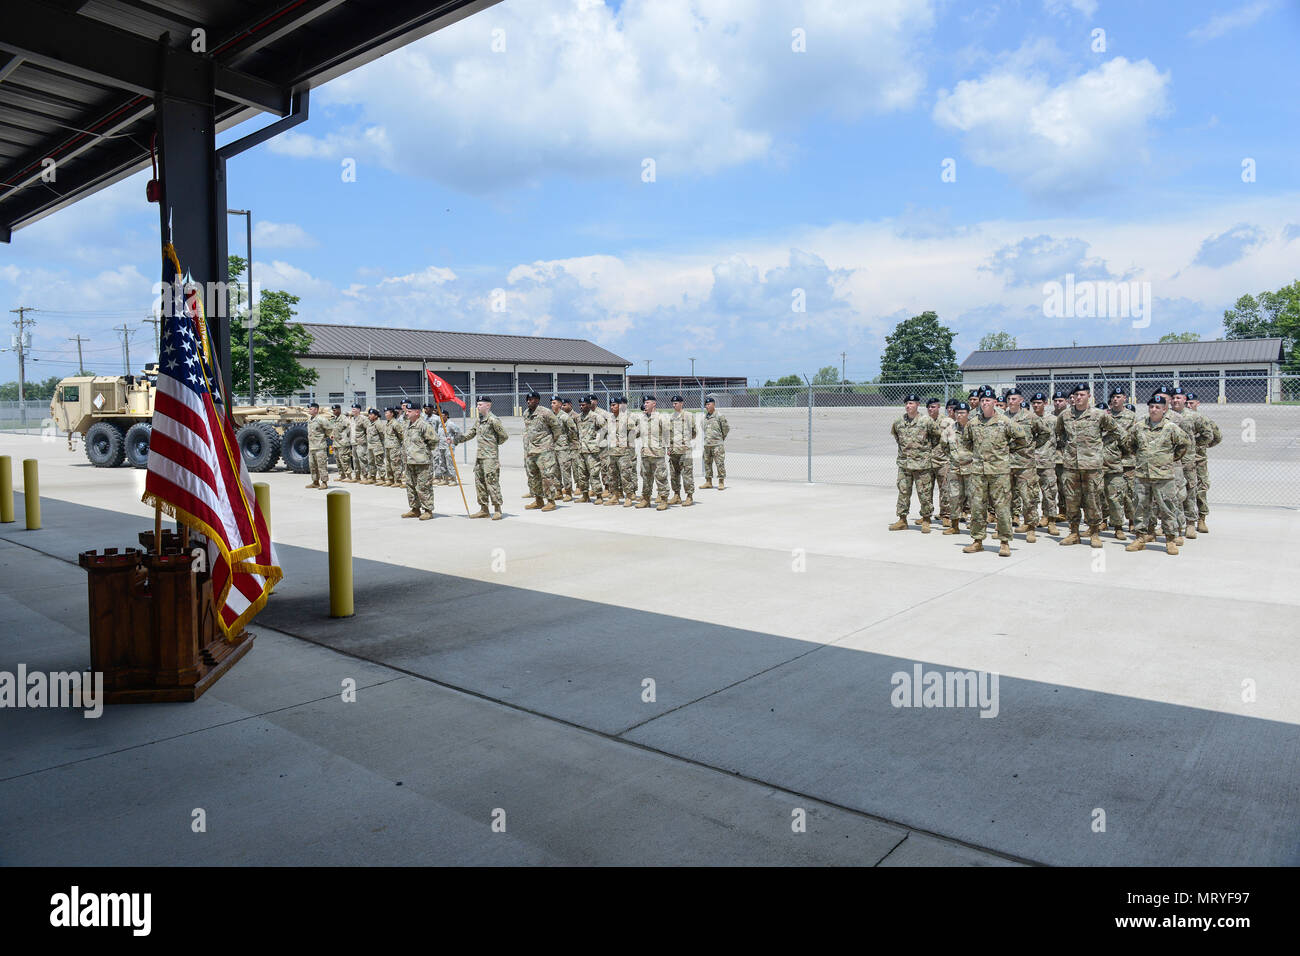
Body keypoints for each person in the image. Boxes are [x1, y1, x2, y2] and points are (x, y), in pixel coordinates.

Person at [960, 387, 1029, 557]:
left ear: (994, 403)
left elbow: (1022, 439)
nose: (985, 403)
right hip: (978, 472)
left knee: (1002, 507)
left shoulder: (1004, 421)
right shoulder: (973, 423)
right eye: (982, 400)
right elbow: (966, 442)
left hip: (999, 471)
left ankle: (1004, 542)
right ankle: (978, 541)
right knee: (977, 507)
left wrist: (1007, 450)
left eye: (988, 400)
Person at [1054, 382, 1120, 547]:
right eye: (1076, 395)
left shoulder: (1099, 415)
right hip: (1071, 466)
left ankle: (1094, 532)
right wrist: (1068, 448)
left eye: (1082, 395)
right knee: (1071, 500)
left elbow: (1115, 431)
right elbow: (1059, 433)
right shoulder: (1065, 415)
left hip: (1092, 466)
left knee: (1093, 499)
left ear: (1089, 396)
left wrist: (1101, 445)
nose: (1078, 398)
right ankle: (1074, 532)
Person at [1124, 394, 1191, 555]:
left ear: (1164, 409)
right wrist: (1142, 458)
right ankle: (1140, 538)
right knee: (1140, 507)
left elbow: (1184, 444)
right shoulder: (1139, 426)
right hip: (1142, 474)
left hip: (1164, 475)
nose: (1154, 410)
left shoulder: (1171, 427)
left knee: (1167, 507)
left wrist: (1170, 458)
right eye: (1151, 407)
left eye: (1158, 407)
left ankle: (1170, 539)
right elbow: (1129, 444)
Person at [889, 393, 942, 533]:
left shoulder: (926, 421)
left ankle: (926, 519)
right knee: (903, 492)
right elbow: (897, 437)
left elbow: (938, 436)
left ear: (918, 404)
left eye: (911, 403)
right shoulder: (898, 422)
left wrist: (927, 452)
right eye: (906, 403)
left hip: (922, 465)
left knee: (924, 493)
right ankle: (902, 519)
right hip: (904, 464)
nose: (908, 406)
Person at [1002, 387, 1049, 541]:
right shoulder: (1002, 418)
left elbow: (1045, 432)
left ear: (1021, 400)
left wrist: (1032, 445)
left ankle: (1031, 528)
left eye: (1014, 399)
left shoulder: (1030, 417)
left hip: (1025, 464)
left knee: (1028, 497)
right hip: (1006, 463)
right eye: (1009, 399)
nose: (1011, 401)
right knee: (1005, 497)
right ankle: (1005, 528)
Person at [454, 396, 510, 520]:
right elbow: (470, 434)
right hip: (480, 457)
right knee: (480, 483)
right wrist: (455, 439)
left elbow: (504, 436)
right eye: (478, 404)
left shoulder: (493, 420)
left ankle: (497, 509)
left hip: (490, 458)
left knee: (492, 483)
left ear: (488, 406)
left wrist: (493, 445)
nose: (477, 407)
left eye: (480, 404)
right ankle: (483, 509)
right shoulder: (479, 420)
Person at [1169, 387, 1212, 539]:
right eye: (1173, 398)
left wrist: (1193, 446)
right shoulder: (1166, 416)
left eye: (1178, 398)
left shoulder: (1193, 417)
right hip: (1171, 461)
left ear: (1185, 400)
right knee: (1172, 493)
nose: (1175, 400)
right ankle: (1172, 524)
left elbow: (1208, 435)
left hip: (1188, 461)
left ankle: (1190, 523)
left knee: (1190, 491)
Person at [1102, 385, 1137, 540]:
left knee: (1129, 494)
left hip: (1126, 461)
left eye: (1119, 397)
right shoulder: (1104, 415)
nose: (1115, 399)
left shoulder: (1131, 416)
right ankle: (1109, 521)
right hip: (1107, 460)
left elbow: (1133, 438)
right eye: (1113, 397)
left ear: (1125, 398)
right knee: (1108, 494)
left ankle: (1131, 520)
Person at [522, 390, 564, 511]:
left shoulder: (546, 412)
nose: (529, 401)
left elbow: (557, 428)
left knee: (547, 476)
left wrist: (550, 442)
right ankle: (538, 500)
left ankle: (551, 501)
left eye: (532, 399)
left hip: (544, 449)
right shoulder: (526, 413)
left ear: (538, 400)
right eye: (528, 399)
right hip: (531, 449)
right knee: (533, 476)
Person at [399, 404, 442, 520]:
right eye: (406, 411)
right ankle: (415, 509)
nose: (406, 413)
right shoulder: (407, 425)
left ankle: (428, 510)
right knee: (410, 486)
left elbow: (434, 440)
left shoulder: (423, 425)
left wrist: (423, 451)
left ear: (417, 412)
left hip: (422, 462)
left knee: (424, 486)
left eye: (409, 411)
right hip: (409, 461)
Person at [1186, 393, 1221, 532]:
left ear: (1197, 404)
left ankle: (1202, 519)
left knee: (1201, 489)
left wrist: (1199, 446)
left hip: (1198, 460)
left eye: (1191, 403)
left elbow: (1216, 437)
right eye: (1187, 403)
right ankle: (1186, 520)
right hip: (1182, 461)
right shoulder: (1178, 418)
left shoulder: (1203, 419)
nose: (1189, 406)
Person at [633, 394, 672, 509]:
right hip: (645, 453)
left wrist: (669, 447)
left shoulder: (661, 418)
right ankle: (646, 499)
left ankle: (664, 500)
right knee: (646, 477)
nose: (645, 405)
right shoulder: (642, 419)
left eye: (647, 403)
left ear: (654, 404)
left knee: (661, 477)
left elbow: (667, 433)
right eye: (644, 403)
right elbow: (636, 433)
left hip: (657, 453)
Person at [1029, 393, 1059, 534]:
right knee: (1031, 494)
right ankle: (1033, 520)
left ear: (1045, 403)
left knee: (1050, 492)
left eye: (1039, 402)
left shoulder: (1053, 420)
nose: (1036, 405)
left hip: (1047, 460)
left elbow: (1062, 437)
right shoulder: (1027, 419)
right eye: (1034, 403)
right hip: (1030, 461)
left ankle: (1051, 520)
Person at [942, 402, 973, 536]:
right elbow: (944, 445)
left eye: (962, 413)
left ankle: (975, 524)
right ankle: (954, 525)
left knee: (973, 497)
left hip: (971, 468)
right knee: (953, 497)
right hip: (955, 469)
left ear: (968, 414)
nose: (959, 415)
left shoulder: (973, 428)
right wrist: (954, 457)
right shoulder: (949, 429)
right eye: (957, 413)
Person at [606, 395, 638, 506]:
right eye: (611, 405)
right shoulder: (610, 418)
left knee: (626, 475)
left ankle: (629, 496)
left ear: (619, 406)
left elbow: (633, 433)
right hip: (613, 452)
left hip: (624, 453)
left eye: (614, 405)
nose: (612, 407)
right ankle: (615, 496)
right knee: (612, 475)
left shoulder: (627, 418)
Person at [575, 394, 607, 503]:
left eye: (583, 405)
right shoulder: (578, 418)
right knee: (582, 474)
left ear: (589, 405)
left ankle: (599, 496)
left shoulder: (595, 416)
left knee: (594, 473)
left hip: (592, 450)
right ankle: (585, 495)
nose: (581, 407)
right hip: (581, 450)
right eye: (580, 405)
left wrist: (597, 441)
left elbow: (605, 429)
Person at [667, 394, 698, 506]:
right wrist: (669, 447)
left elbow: (694, 432)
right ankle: (676, 495)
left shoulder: (689, 416)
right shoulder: (671, 417)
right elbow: (669, 434)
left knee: (687, 474)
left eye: (676, 403)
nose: (674, 405)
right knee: (674, 474)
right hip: (674, 450)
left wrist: (686, 441)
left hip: (685, 450)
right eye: (673, 403)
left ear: (681, 403)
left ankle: (689, 496)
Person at [928, 398, 954, 527]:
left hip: (942, 460)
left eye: (933, 407)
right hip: (927, 461)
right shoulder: (924, 421)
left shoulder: (946, 421)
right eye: (929, 407)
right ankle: (926, 515)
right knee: (926, 490)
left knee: (944, 489)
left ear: (938, 407)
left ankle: (945, 515)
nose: (930, 409)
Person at [551, 395, 578, 501]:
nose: (552, 405)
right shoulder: (551, 416)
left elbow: (573, 429)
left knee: (565, 470)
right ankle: (558, 491)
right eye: (552, 403)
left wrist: (568, 441)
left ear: (560, 404)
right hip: (553, 447)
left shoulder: (565, 416)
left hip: (563, 447)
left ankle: (568, 492)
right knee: (555, 470)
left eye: (554, 403)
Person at [701, 395, 729, 489]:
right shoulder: (705, 417)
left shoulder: (719, 416)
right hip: (707, 444)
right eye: (706, 405)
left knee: (719, 463)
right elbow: (704, 429)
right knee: (707, 463)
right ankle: (708, 481)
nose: (707, 406)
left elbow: (726, 429)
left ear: (714, 405)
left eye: (709, 404)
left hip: (717, 445)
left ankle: (721, 482)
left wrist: (720, 439)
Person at [305, 401, 330, 489]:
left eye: (310, 409)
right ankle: (315, 482)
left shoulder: (321, 419)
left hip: (320, 447)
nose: (309, 410)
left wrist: (324, 437)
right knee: (312, 465)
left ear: (316, 409)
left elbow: (329, 429)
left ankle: (324, 482)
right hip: (312, 447)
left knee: (321, 465)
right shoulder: (310, 419)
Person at [435, 406, 461, 486]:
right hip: (441, 446)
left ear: (446, 416)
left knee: (450, 463)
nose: (441, 417)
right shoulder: (440, 424)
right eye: (440, 416)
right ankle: (445, 478)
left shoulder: (450, 424)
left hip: (448, 447)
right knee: (442, 463)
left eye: (443, 415)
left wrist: (454, 441)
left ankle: (453, 479)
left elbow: (459, 432)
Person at [332, 403, 356, 482]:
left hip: (343, 443)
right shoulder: (335, 419)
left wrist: (344, 438)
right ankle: (342, 475)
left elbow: (349, 428)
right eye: (333, 410)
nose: (333, 412)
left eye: (335, 410)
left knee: (345, 459)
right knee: (338, 460)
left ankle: (349, 476)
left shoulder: (343, 418)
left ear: (339, 410)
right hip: (336, 443)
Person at [363, 407, 386, 485]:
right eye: (369, 414)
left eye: (371, 414)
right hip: (370, 446)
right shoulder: (370, 423)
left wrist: (381, 444)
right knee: (371, 462)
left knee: (379, 463)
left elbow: (382, 434)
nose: (369, 415)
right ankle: (373, 477)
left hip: (377, 446)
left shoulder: (378, 423)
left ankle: (382, 478)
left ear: (376, 416)